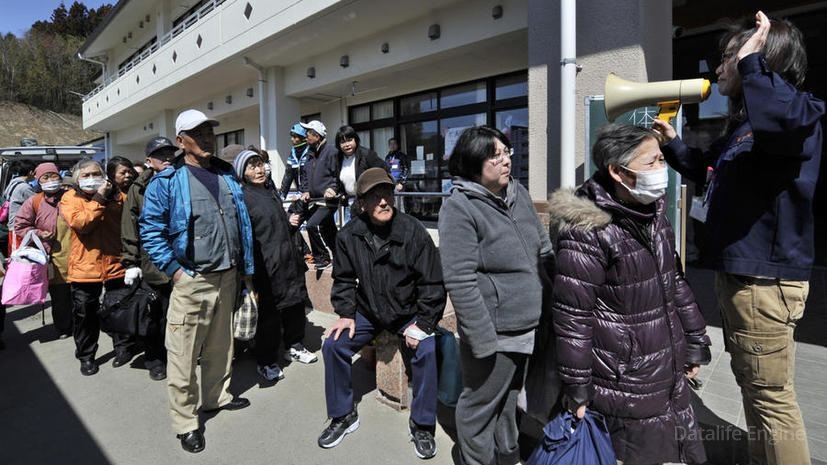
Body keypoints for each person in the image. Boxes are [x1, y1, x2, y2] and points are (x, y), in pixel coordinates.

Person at [654, 11, 824, 465]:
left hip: (763, 285)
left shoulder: (795, 113)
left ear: (764, 58)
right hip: (745, 282)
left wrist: (751, 64)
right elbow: (707, 170)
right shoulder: (747, 128)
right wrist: (672, 143)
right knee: (755, 390)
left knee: (772, 400)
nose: (720, 67)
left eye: (731, 56)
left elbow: (780, 118)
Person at [549, 123, 711, 465]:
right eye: (651, 162)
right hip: (623, 373)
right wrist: (577, 386)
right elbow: (573, 316)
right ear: (618, 171)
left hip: (665, 361)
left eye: (661, 160)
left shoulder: (653, 212)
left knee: (670, 447)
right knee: (638, 452)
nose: (661, 169)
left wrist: (695, 339)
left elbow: (674, 281)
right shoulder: (587, 230)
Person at [437, 126, 553, 465]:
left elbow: (543, 248)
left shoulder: (518, 192)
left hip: (530, 323)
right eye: (494, 155)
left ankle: (507, 453)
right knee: (480, 404)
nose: (505, 160)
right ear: (473, 163)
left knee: (510, 397)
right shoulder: (459, 208)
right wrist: (482, 338)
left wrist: (553, 292)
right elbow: (460, 280)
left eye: (506, 152)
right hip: (495, 331)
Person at [140, 109, 253, 454]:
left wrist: (244, 269)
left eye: (209, 132)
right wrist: (175, 270)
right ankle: (186, 422)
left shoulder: (226, 173)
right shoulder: (167, 181)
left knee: (221, 345)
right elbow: (151, 231)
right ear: (180, 141)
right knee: (183, 353)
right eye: (197, 133)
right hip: (193, 278)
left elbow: (240, 221)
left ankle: (216, 397)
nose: (206, 138)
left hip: (228, 275)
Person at [319, 168, 445, 459]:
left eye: (387, 193)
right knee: (334, 344)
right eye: (375, 196)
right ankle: (343, 415)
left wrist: (424, 323)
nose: (383, 201)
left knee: (427, 348)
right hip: (369, 311)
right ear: (362, 203)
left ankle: (422, 424)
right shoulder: (349, 235)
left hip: (408, 311)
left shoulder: (413, 231)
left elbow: (432, 282)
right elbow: (344, 279)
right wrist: (345, 313)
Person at [233, 149, 317, 383]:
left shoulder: (270, 191)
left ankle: (294, 346)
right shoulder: (243, 198)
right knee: (268, 317)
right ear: (242, 173)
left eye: (260, 164)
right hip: (265, 266)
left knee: (295, 307)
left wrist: (291, 220)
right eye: (252, 167)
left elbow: (278, 226)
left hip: (287, 260)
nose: (259, 170)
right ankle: (266, 361)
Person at [60, 159, 133, 375]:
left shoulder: (118, 196)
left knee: (119, 309)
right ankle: (86, 356)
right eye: (86, 175)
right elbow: (82, 224)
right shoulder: (70, 198)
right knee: (85, 315)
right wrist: (100, 198)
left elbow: (129, 223)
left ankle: (123, 348)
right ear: (77, 179)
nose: (91, 178)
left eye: (95, 174)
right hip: (85, 267)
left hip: (115, 262)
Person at [121, 137, 177, 381]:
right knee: (155, 315)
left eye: (169, 153)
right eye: (160, 154)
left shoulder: (182, 178)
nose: (167, 158)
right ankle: (155, 359)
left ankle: (179, 356)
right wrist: (131, 262)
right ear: (148, 160)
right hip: (153, 261)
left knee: (180, 314)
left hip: (183, 260)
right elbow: (129, 226)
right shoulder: (139, 188)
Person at [13, 162, 73, 338]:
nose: (50, 180)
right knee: (60, 296)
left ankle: (82, 326)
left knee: (80, 296)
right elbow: (20, 226)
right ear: (38, 181)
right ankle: (64, 328)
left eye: (54, 176)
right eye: (45, 177)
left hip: (77, 255)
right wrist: (39, 234)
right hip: (53, 258)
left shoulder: (71, 197)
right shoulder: (34, 202)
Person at [297, 120, 339, 271]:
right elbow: (305, 176)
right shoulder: (309, 153)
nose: (306, 135)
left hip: (327, 200)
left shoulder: (331, 151)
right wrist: (305, 190)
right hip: (314, 200)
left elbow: (337, 173)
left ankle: (322, 257)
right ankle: (340, 256)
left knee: (312, 225)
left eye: (309, 133)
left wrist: (333, 188)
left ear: (318, 135)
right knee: (329, 230)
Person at [3, 159, 37, 253]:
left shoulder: (13, 183)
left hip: (13, 224)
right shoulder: (24, 187)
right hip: (19, 226)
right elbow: (37, 202)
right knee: (17, 254)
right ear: (30, 172)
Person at [280, 123, 311, 200]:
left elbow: (309, 176)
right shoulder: (293, 153)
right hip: (300, 194)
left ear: (303, 138)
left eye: (295, 137)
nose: (292, 139)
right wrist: (282, 195)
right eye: (291, 136)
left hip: (310, 194)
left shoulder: (310, 152)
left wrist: (300, 192)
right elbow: (288, 176)